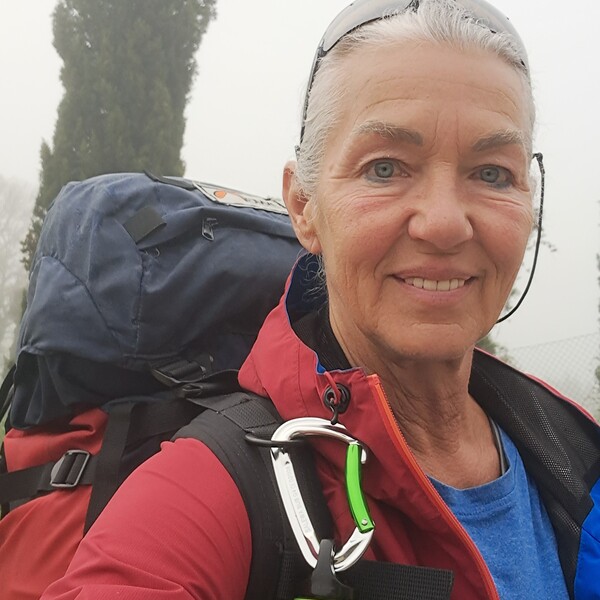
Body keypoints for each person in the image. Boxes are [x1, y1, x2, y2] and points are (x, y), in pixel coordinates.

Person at [41, 0, 600, 599]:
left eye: (492, 174)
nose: (443, 224)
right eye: (384, 168)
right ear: (304, 207)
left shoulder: (573, 453)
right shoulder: (210, 488)